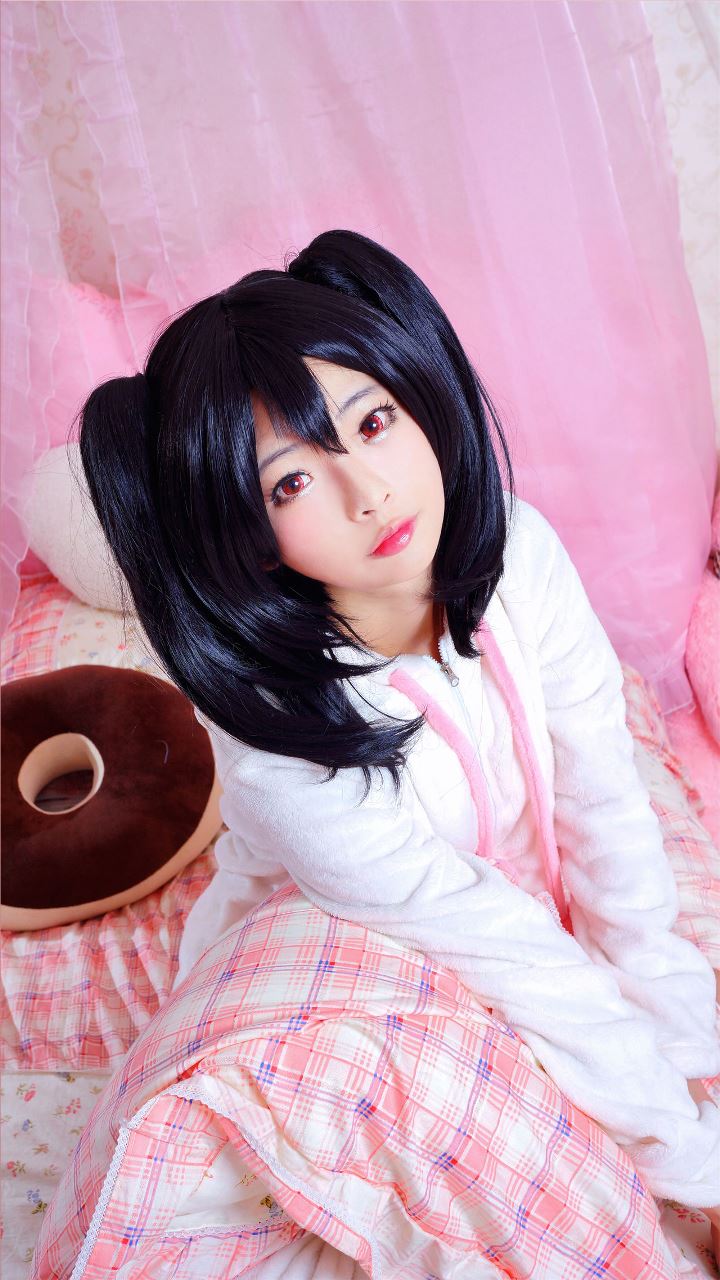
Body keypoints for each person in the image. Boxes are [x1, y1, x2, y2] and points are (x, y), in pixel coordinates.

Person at [77, 229, 720, 1249]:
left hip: (502, 912)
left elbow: (604, 796)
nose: (368, 491)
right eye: (290, 484)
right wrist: (691, 1161)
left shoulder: (520, 553)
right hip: (356, 956)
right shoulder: (281, 749)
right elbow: (491, 943)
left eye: (373, 422)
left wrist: (687, 1047)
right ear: (244, 533)